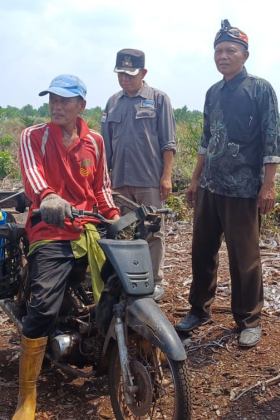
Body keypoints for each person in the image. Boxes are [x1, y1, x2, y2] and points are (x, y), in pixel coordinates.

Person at [14, 75, 121, 420]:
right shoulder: (34, 136)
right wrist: (47, 197)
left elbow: (102, 189)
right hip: (50, 228)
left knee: (122, 288)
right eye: (53, 100)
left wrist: (116, 219)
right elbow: (32, 174)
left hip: (87, 227)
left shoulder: (96, 141)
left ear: (81, 106)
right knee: (43, 305)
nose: (57, 106)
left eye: (65, 101)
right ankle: (26, 395)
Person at [176, 20, 280, 348]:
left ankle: (249, 319)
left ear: (244, 55)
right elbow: (206, 140)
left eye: (230, 50)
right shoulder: (213, 92)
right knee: (202, 251)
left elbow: (272, 139)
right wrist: (195, 180)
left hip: (243, 189)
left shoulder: (260, 89)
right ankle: (199, 310)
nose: (223, 56)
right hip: (211, 185)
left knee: (244, 257)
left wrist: (268, 185)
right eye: (218, 50)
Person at [101, 49, 177, 302]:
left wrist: (166, 177)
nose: (124, 78)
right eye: (120, 73)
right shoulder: (112, 102)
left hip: (149, 181)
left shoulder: (158, 99)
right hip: (120, 182)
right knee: (122, 232)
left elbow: (168, 143)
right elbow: (105, 149)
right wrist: (104, 182)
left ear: (143, 73)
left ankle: (154, 281)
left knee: (153, 232)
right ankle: (127, 278)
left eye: (130, 74)